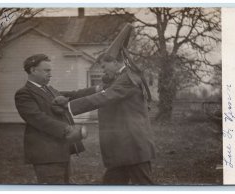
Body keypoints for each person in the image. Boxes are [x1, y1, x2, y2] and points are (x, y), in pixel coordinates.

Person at [53, 24, 156, 185]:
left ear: (115, 62)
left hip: (133, 147)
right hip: (124, 148)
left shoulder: (127, 80)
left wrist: (69, 106)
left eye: (104, 66)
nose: (102, 71)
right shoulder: (119, 79)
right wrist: (67, 95)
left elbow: (104, 97)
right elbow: (94, 90)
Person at [14, 54, 101, 184]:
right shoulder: (24, 93)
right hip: (45, 154)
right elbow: (38, 119)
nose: (50, 74)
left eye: (50, 71)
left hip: (60, 151)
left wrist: (97, 88)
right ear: (32, 70)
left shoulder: (48, 89)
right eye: (46, 70)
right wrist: (67, 129)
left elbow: (72, 95)